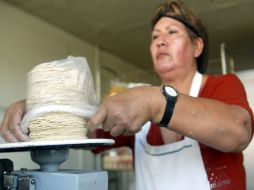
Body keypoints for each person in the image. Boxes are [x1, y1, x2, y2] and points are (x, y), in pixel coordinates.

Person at [0, 0, 253, 189]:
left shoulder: (221, 86)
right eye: (155, 37)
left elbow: (238, 131)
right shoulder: (138, 111)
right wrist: (40, 108)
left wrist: (156, 102)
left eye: (172, 33)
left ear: (197, 46)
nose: (160, 41)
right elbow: (85, 129)